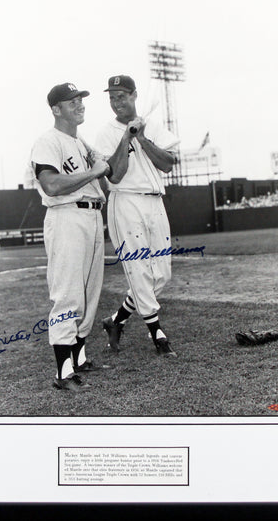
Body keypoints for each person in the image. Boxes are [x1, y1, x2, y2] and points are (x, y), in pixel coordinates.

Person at [28, 82, 110, 392]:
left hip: (91, 216)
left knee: (89, 291)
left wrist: (129, 135)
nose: (80, 104)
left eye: (80, 100)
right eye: (72, 101)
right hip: (66, 217)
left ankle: (79, 358)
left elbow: (108, 167)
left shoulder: (81, 142)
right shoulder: (48, 141)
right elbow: (51, 185)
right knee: (67, 293)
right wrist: (93, 173)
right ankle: (63, 373)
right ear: (56, 109)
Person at [95, 75, 179, 356]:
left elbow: (168, 165)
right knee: (139, 270)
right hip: (126, 202)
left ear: (134, 95)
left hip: (155, 202)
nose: (117, 102)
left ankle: (116, 321)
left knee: (161, 274)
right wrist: (126, 138)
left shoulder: (152, 125)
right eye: (112, 97)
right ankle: (157, 333)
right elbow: (115, 176)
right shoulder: (105, 133)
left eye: (121, 96)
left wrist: (142, 138)